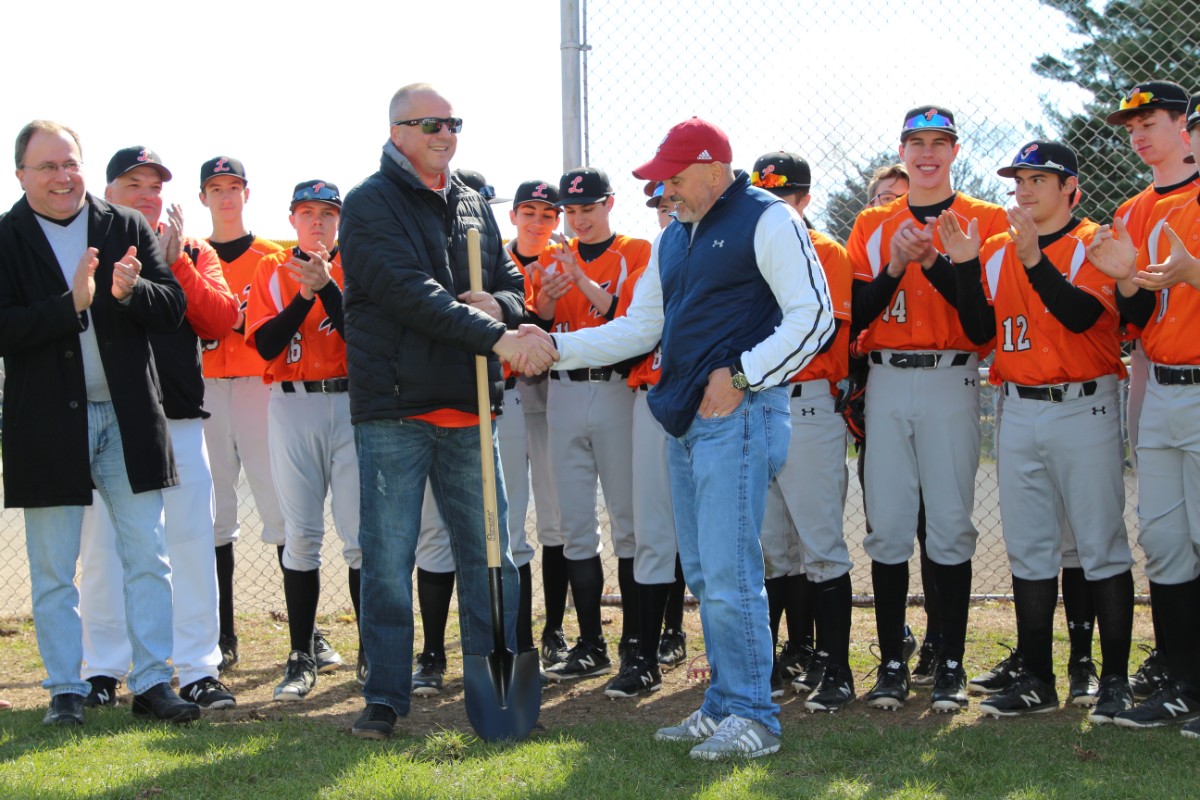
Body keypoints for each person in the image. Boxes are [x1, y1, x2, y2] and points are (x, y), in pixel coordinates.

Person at [535, 116, 834, 759]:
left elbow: (816, 317)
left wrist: (746, 376)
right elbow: (640, 328)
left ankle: (754, 716)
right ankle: (724, 702)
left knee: (728, 571)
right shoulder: (674, 237)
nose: (665, 190)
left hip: (740, 417)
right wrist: (553, 346)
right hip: (684, 420)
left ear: (711, 167)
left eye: (673, 178)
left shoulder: (768, 218)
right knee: (701, 570)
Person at [339, 83, 556, 740]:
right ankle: (384, 698)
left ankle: (497, 700)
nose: (445, 132)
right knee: (388, 558)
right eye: (430, 122)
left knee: (492, 558)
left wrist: (504, 308)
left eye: (453, 122)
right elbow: (410, 294)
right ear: (397, 131)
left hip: (470, 407)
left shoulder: (470, 202)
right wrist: (496, 337)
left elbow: (512, 281)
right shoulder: (367, 204)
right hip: (397, 410)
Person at [0, 120, 197, 725]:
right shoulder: (6, 237)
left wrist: (132, 292)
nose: (63, 178)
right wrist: (71, 307)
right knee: (56, 567)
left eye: (71, 164)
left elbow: (173, 311)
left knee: (149, 556)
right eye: (47, 168)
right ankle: (65, 688)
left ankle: (152, 684)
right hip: (46, 424)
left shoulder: (124, 225)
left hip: (129, 416)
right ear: (21, 176)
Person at [939, 140, 1134, 721]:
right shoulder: (998, 248)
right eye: (1018, 179)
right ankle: (1037, 679)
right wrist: (966, 266)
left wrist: (1032, 260)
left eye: (1038, 179)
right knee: (1030, 550)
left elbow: (1080, 317)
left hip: (1083, 405)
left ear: (1070, 187)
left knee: (1099, 546)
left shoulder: (1093, 242)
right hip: (1017, 406)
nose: (1023, 189)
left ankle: (1116, 681)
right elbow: (979, 332)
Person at [847, 106, 1007, 712]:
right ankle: (891, 661)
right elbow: (856, 316)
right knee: (887, 526)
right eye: (916, 142)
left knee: (948, 524)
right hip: (886, 379)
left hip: (951, 378)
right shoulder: (873, 220)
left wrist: (939, 262)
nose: (927, 154)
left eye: (940, 143)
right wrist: (894, 264)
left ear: (955, 151)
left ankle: (950, 662)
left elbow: (981, 326)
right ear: (903, 149)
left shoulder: (985, 220)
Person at [78, 146, 239, 711]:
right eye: (133, 184)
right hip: (113, 419)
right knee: (104, 548)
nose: (147, 194)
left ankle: (197, 667)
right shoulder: (88, 251)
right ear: (108, 191)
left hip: (179, 419)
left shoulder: (192, 249)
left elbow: (221, 320)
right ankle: (102, 669)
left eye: (154, 185)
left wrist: (180, 265)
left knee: (192, 543)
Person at [410, 175, 555, 695]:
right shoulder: (415, 240)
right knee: (434, 534)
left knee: (504, 531)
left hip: (493, 403)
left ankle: (511, 648)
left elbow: (519, 297)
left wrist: (496, 303)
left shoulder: (489, 245)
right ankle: (430, 654)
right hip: (429, 404)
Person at [1087, 94, 1200, 737]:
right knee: (1162, 538)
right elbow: (1132, 321)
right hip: (1158, 382)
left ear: (1183, 126)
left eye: (1149, 123)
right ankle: (1180, 678)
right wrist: (1129, 280)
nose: (1138, 135)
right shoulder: (1131, 210)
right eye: (1130, 126)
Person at [244, 180, 361, 701]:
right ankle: (300, 656)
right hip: (292, 403)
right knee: (302, 535)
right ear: (292, 218)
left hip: (352, 404)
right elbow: (266, 344)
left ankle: (371, 653)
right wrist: (304, 294)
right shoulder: (270, 268)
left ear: (340, 221)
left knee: (361, 537)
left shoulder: (358, 264)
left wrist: (328, 287)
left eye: (328, 213)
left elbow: (362, 338)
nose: (318, 221)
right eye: (308, 212)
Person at [533, 167, 650, 682]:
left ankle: (635, 642)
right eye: (572, 210)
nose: (579, 218)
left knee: (629, 523)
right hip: (561, 390)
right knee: (575, 524)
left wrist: (581, 280)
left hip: (615, 392)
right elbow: (539, 326)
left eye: (588, 207)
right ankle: (590, 642)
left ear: (609, 204)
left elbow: (632, 322)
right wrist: (553, 293)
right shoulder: (550, 258)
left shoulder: (636, 251)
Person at [198, 156, 308, 674]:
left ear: (247, 193)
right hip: (205, 389)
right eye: (215, 188)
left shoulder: (273, 255)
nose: (225, 196)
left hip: (259, 386)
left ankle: (306, 636)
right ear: (203, 197)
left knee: (279, 507)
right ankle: (221, 636)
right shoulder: (192, 255)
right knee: (214, 514)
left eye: (233, 187)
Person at [853, 163, 943, 685]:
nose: (891, 204)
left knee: (936, 527)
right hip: (881, 396)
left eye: (898, 195)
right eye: (882, 197)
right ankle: (898, 639)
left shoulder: (943, 233)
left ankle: (936, 638)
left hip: (935, 391)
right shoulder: (870, 239)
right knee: (884, 525)